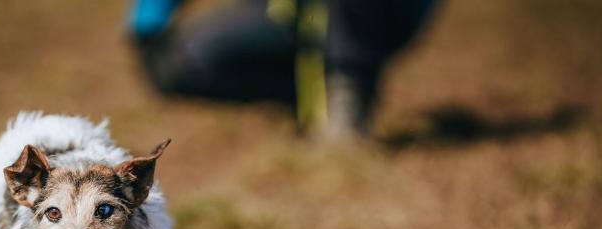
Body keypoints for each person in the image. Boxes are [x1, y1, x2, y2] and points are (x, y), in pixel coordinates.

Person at [126, 0, 438, 136]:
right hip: (280, 15)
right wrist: (147, 23)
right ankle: (303, 94)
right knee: (174, 60)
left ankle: (347, 98)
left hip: (374, 15)